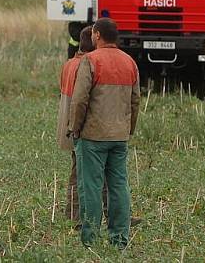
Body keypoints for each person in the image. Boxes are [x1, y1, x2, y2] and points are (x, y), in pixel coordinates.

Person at [69, 17, 140, 247]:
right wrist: (128, 129)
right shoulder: (130, 62)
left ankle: (90, 239)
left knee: (90, 187)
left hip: (92, 136)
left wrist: (75, 128)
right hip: (119, 136)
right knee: (119, 186)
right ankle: (119, 239)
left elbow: (79, 100)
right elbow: (135, 101)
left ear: (97, 35)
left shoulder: (90, 60)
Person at [56, 26, 94, 224]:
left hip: (68, 126)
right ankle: (75, 216)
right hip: (79, 128)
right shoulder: (84, 66)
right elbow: (82, 101)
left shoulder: (69, 64)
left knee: (77, 170)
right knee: (81, 173)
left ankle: (73, 214)